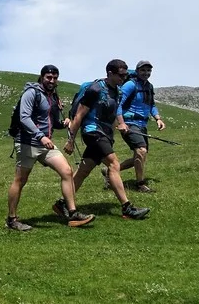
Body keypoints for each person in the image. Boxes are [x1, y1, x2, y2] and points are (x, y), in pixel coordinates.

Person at [6, 66, 95, 231]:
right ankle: (12, 219)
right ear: (41, 77)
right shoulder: (31, 92)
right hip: (27, 142)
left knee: (67, 171)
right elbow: (24, 117)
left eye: (55, 78)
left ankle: (72, 213)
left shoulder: (52, 96)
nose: (52, 81)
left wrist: (63, 123)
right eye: (48, 77)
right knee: (20, 180)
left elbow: (51, 122)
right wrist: (41, 136)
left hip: (45, 144)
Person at [64, 59, 150, 220]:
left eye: (125, 75)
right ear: (110, 73)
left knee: (84, 170)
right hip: (92, 131)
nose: (123, 78)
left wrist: (120, 125)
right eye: (121, 75)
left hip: (105, 133)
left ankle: (63, 203)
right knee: (114, 164)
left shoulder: (117, 91)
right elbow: (79, 115)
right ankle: (127, 208)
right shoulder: (95, 89)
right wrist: (70, 140)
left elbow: (112, 114)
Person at [116, 60, 166, 193]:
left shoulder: (149, 86)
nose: (146, 73)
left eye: (148, 70)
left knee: (139, 156)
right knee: (141, 151)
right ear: (137, 71)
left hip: (142, 124)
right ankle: (140, 184)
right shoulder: (130, 85)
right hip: (129, 123)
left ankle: (111, 171)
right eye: (143, 70)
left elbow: (152, 105)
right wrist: (121, 123)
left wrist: (158, 119)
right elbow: (118, 104)